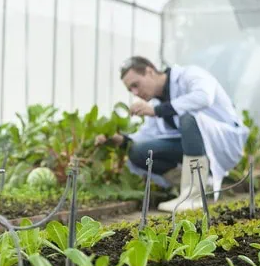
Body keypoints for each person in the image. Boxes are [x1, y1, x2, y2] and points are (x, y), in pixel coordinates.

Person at [96, 56, 248, 213]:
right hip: (195, 147)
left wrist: (156, 111)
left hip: (224, 142)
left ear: (149, 71)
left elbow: (204, 97)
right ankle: (196, 187)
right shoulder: (156, 103)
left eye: (136, 85)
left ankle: (194, 196)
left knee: (189, 118)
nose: (135, 93)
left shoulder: (190, 75)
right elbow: (147, 134)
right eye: (130, 90)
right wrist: (121, 140)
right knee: (139, 151)